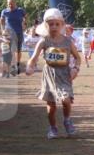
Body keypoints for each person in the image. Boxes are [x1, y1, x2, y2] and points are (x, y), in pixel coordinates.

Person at [26, 8, 81, 138]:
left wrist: (75, 69)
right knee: (51, 106)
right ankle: (53, 128)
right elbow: (33, 58)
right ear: (46, 26)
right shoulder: (44, 41)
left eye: (57, 24)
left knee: (66, 100)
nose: (54, 27)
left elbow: (78, 58)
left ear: (62, 25)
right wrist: (29, 67)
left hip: (64, 74)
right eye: (51, 24)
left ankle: (67, 121)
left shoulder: (68, 41)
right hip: (49, 74)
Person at [0, 0, 26, 76]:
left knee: (18, 50)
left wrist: (24, 24)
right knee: (10, 50)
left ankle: (17, 65)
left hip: (19, 32)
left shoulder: (20, 10)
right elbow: (1, 20)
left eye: (11, 3)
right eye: (9, 4)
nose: (10, 5)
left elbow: (25, 17)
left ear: (15, 3)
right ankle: (10, 67)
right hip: (9, 33)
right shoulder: (5, 11)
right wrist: (2, 29)